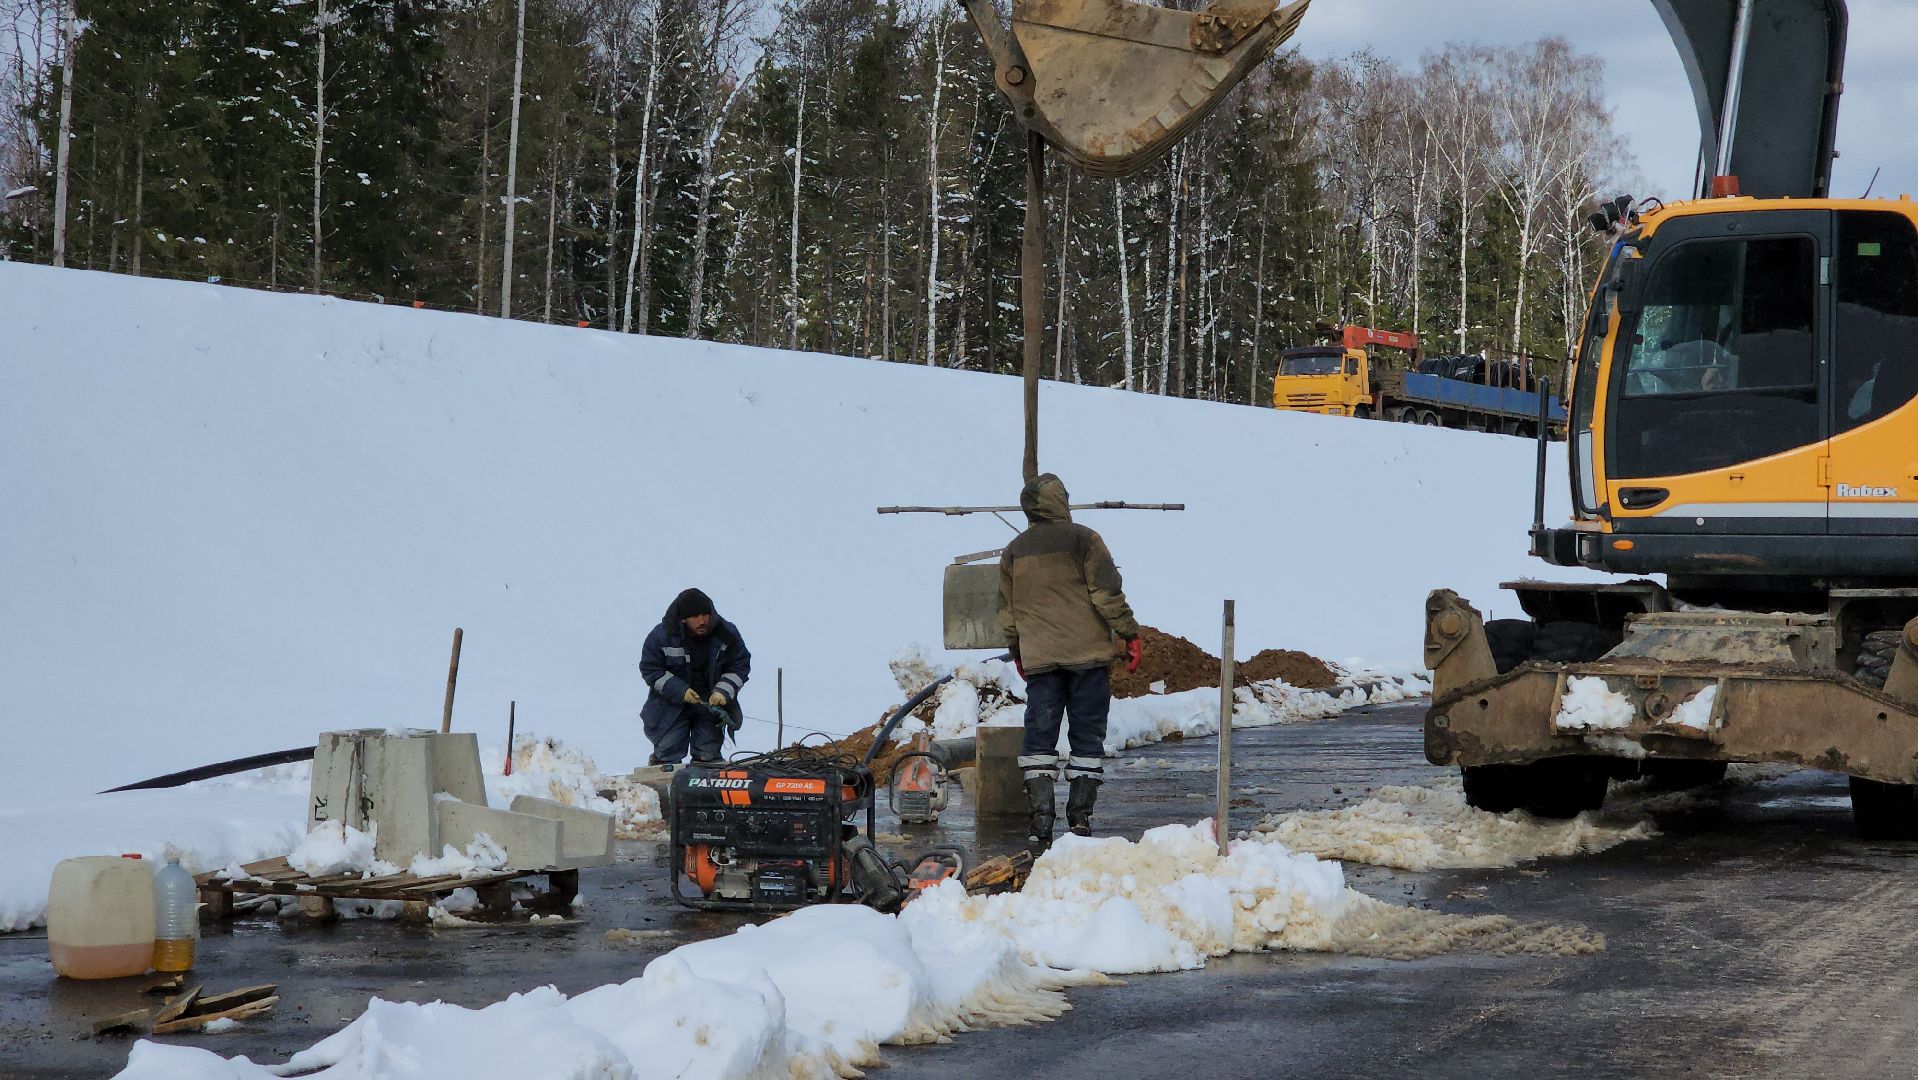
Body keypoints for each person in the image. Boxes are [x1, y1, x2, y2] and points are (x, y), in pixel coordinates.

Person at [996, 473, 1142, 854]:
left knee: (1040, 735)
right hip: (1088, 658)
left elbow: (1007, 613)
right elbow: (1106, 593)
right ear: (1062, 501)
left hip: (1041, 658)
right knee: (1087, 734)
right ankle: (1079, 819)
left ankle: (1040, 822)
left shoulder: (1014, 550)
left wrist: (1018, 652)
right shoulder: (1085, 540)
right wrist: (1128, 633)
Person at [639, 588, 751, 766]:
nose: (702, 621)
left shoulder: (726, 633)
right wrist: (680, 691)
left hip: (710, 703)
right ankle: (660, 784)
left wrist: (723, 691)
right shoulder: (662, 636)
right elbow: (651, 669)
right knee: (668, 749)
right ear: (683, 618)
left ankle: (704, 786)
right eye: (695, 616)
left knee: (708, 753)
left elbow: (740, 665)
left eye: (705, 614)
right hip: (671, 705)